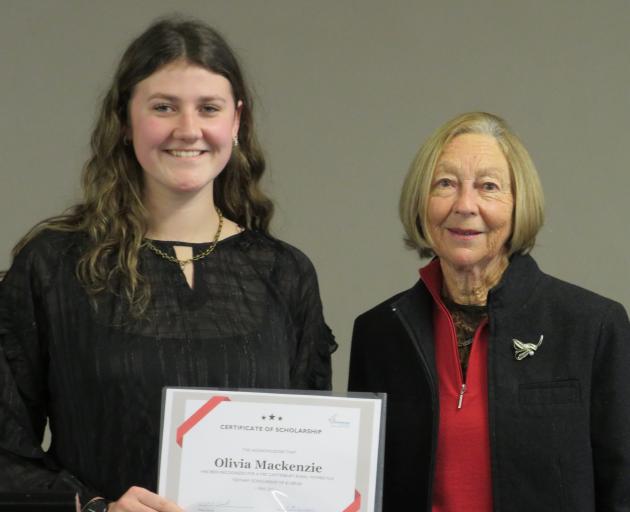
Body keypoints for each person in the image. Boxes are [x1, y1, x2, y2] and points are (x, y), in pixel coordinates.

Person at [0, 18, 336, 512]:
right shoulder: (53, 265)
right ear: (125, 118)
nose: (188, 130)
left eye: (209, 108)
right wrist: (95, 508)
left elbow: (308, 458)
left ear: (236, 121)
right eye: (163, 107)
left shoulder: (284, 274)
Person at [348, 112, 630, 511]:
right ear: (421, 201)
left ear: (519, 205)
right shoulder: (380, 333)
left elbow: (623, 490)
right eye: (445, 184)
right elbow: (366, 489)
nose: (465, 205)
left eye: (489, 187)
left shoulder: (592, 326)